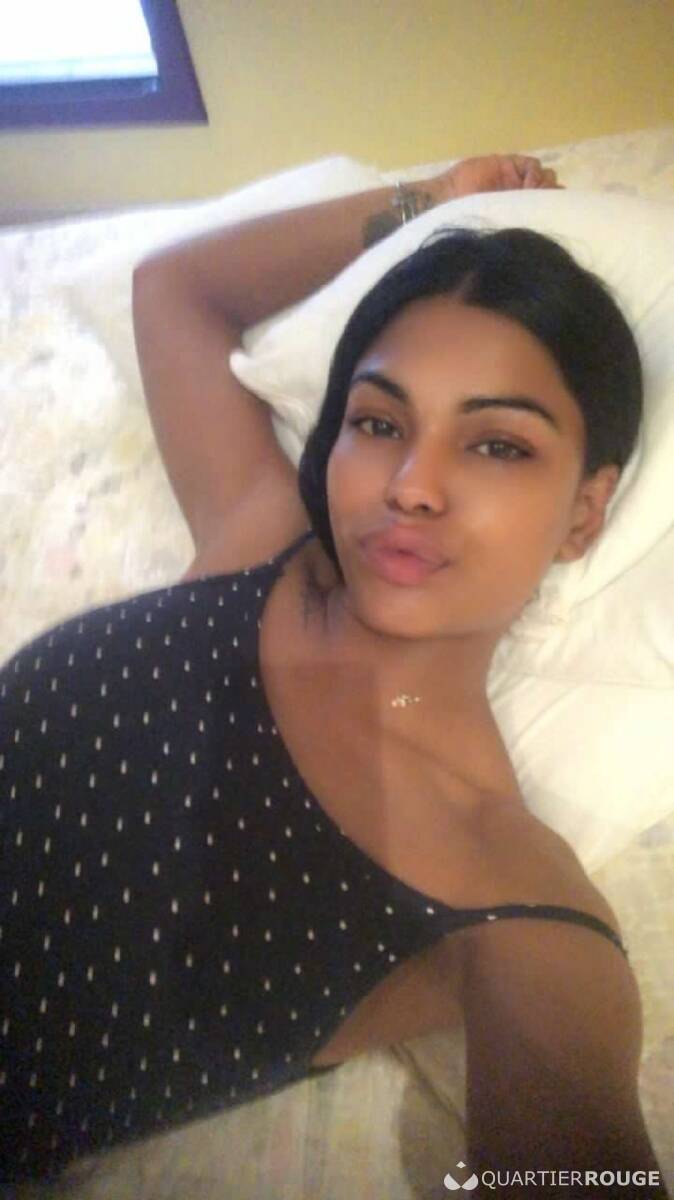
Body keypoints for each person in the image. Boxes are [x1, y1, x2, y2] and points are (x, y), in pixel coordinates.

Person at [0, 154, 668, 1198]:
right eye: (378, 423)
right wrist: (431, 202)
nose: (411, 486)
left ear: (584, 512)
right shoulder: (260, 539)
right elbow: (174, 291)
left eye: (497, 445)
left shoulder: (516, 911)